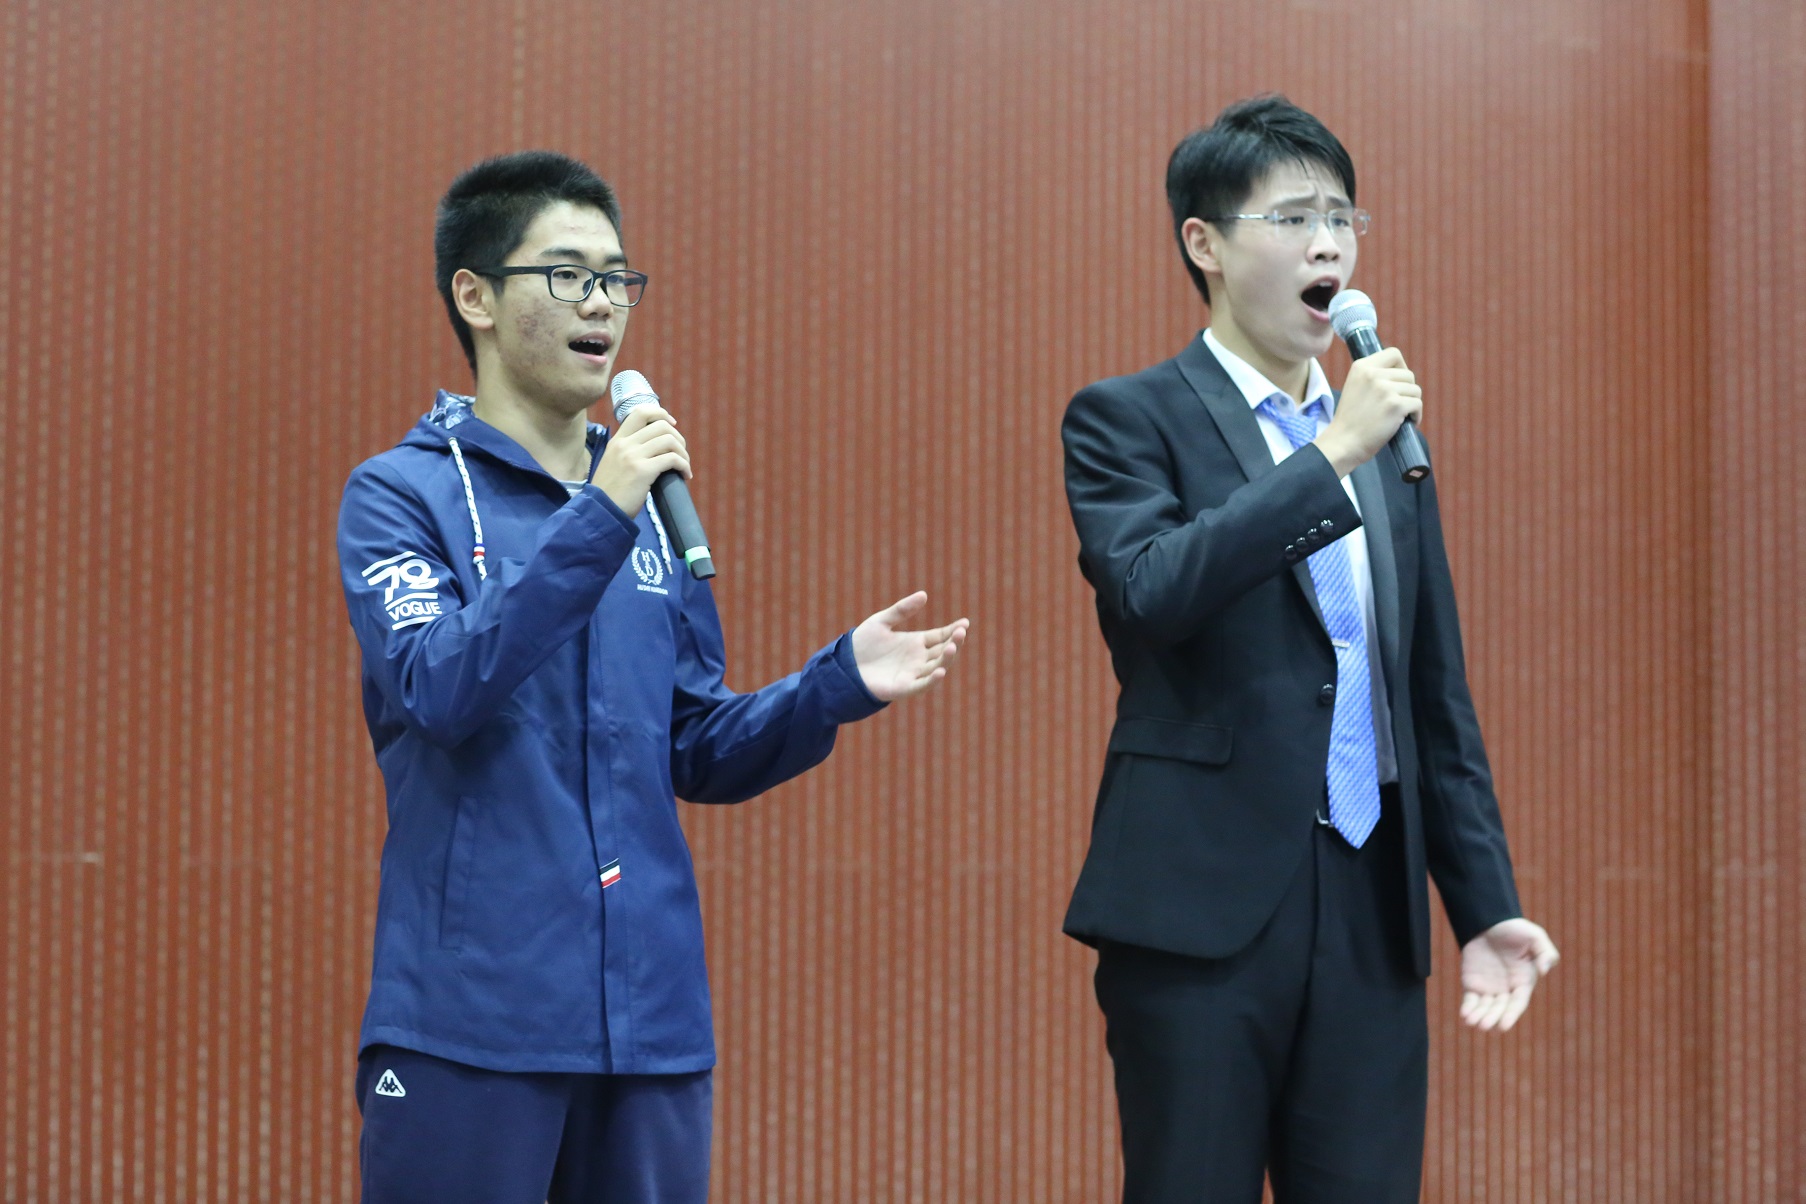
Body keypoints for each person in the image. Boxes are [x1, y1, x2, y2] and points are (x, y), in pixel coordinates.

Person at [337, 150, 969, 1204]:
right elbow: (438, 686)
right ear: (475, 296)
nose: (601, 304)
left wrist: (834, 684)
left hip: (651, 1023)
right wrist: (601, 515)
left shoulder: (644, 511)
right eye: (566, 274)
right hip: (471, 1021)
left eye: (616, 278)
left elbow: (694, 746)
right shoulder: (401, 496)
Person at [1059, 95, 1559, 1203]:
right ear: (1205, 243)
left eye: (1342, 217)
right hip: (1201, 915)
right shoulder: (1128, 418)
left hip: (1372, 906)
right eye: (1292, 218)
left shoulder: (1385, 444)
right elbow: (1151, 592)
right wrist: (1329, 455)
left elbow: (1429, 691)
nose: (1328, 243)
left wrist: (1482, 903)